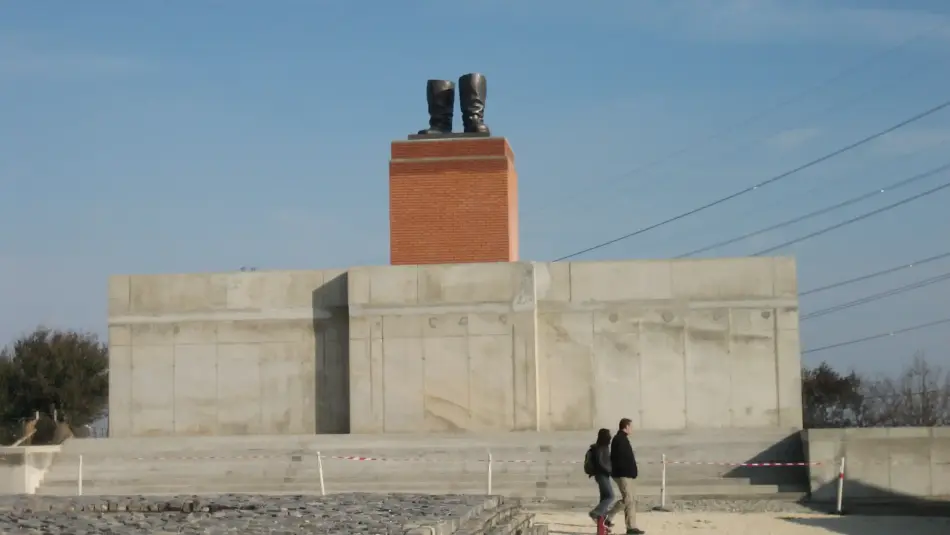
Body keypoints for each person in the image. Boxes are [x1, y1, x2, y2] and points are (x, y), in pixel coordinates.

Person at [608, 418, 644, 535]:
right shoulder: (619, 439)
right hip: (622, 475)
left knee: (631, 500)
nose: (632, 429)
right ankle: (609, 517)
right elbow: (618, 459)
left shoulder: (623, 439)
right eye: (631, 427)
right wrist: (626, 471)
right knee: (628, 499)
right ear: (626, 427)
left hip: (628, 475)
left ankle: (631, 526)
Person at [586, 428, 615, 531]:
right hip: (602, 475)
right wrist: (610, 470)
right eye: (608, 435)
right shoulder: (602, 448)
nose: (610, 437)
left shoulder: (601, 447)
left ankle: (602, 526)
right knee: (610, 496)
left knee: (604, 499)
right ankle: (595, 513)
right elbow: (601, 463)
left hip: (601, 475)